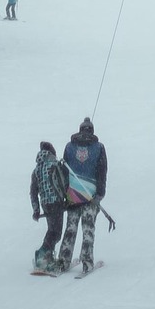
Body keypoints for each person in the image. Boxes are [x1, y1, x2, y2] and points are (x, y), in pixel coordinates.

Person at [57, 116, 108, 274]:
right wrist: (100, 194)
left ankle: (63, 261)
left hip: (73, 195)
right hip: (90, 195)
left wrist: (65, 193)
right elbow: (102, 171)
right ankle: (86, 262)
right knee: (88, 229)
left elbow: (63, 172)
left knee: (70, 228)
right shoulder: (99, 147)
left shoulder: (69, 146)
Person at [30, 139, 68, 273]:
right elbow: (64, 182)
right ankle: (42, 255)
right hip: (56, 202)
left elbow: (33, 191)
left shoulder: (36, 170)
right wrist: (67, 199)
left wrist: (36, 209)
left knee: (51, 230)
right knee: (56, 233)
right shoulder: (55, 165)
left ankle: (46, 256)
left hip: (45, 204)